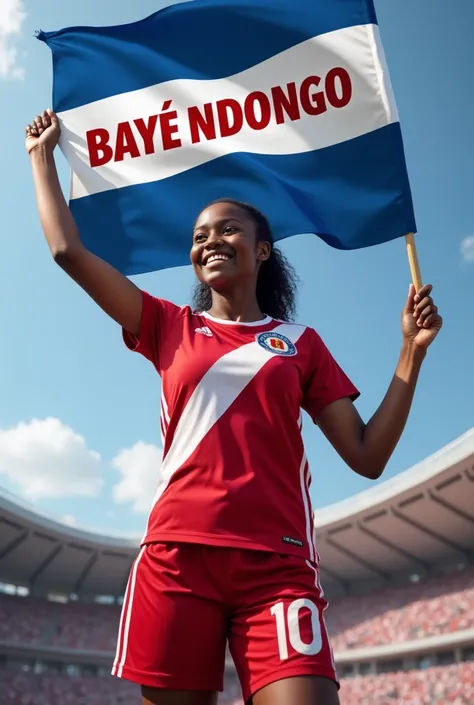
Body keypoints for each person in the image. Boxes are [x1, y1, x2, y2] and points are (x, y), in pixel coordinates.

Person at [26, 109, 442, 705]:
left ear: (263, 248)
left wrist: (411, 351)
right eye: (199, 236)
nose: (209, 241)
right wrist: (41, 158)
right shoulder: (166, 324)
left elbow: (367, 455)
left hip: (278, 567)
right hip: (177, 561)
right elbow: (68, 251)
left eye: (226, 229)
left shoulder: (302, 343)